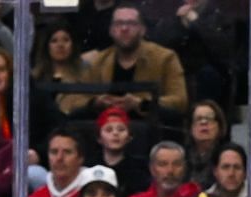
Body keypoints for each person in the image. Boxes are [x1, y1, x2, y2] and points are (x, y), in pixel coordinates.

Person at [58, 5, 186, 122]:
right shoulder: (96, 61)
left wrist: (141, 104)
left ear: (142, 30)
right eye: (118, 24)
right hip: (104, 131)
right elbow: (65, 100)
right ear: (111, 30)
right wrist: (94, 103)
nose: (124, 28)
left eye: (131, 23)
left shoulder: (166, 58)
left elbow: (180, 101)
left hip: (149, 131)